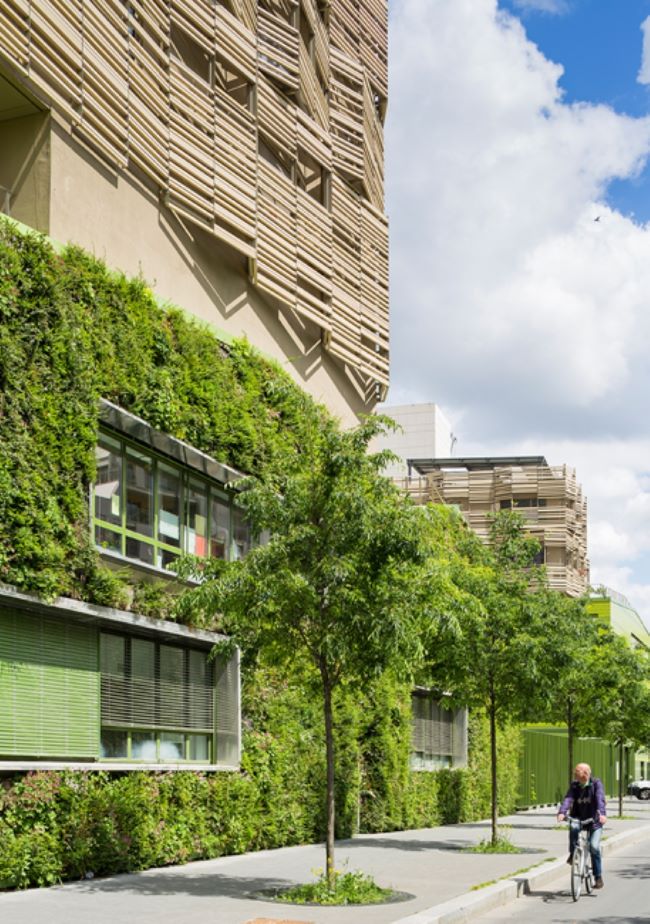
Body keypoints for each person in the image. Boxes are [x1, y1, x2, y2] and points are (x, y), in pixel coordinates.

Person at [557, 762, 607, 889]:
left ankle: (598, 877)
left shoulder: (596, 784)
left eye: (577, 773)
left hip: (595, 820)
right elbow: (568, 798)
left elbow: (600, 798)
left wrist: (602, 814)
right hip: (579, 818)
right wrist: (562, 812)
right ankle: (573, 853)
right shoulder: (575, 786)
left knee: (594, 847)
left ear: (585, 774)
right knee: (573, 827)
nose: (575, 775)